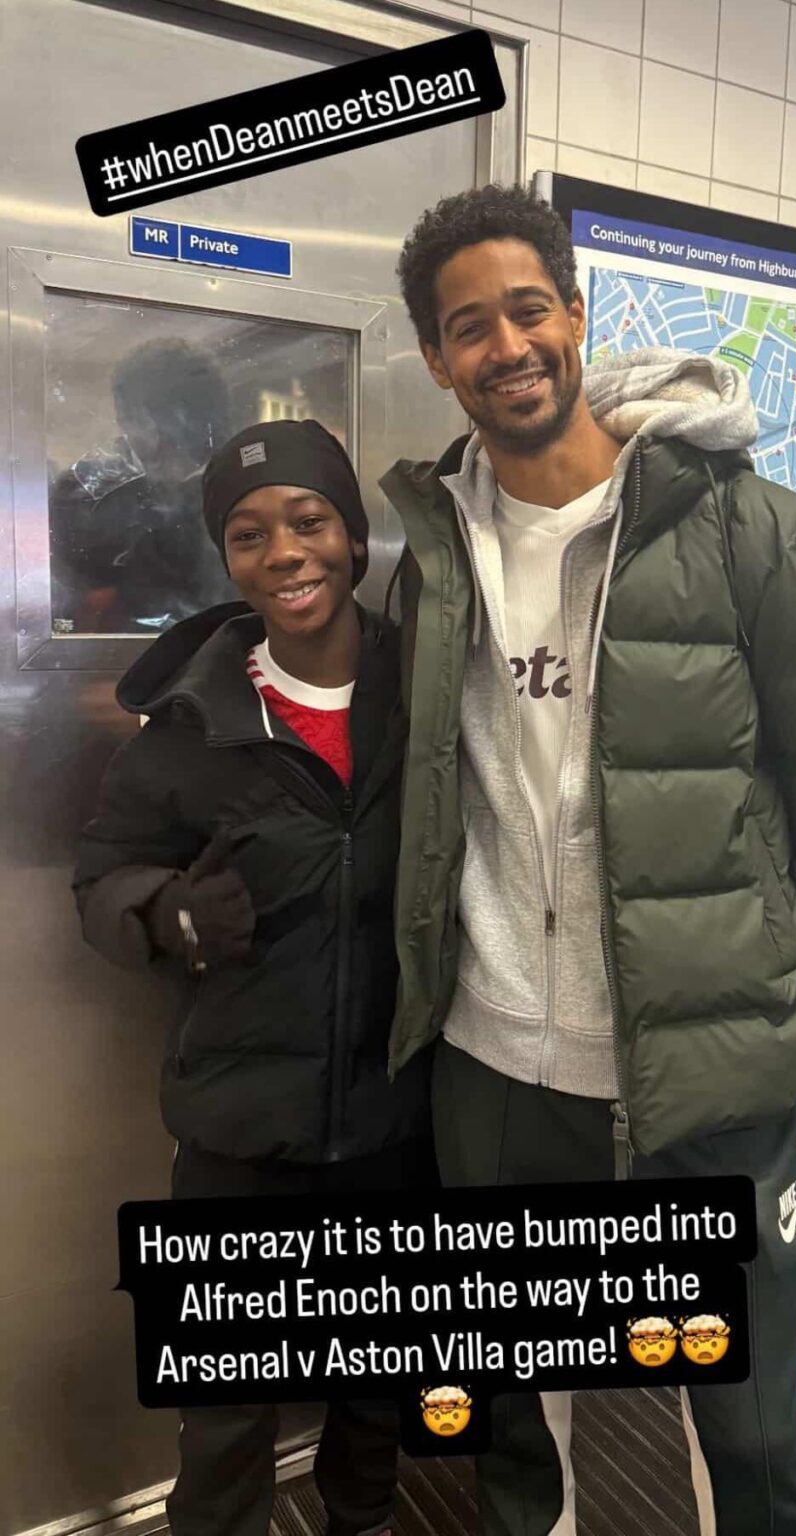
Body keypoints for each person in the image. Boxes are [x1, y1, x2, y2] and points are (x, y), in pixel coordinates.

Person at [380, 184, 796, 1536]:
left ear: (572, 315)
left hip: (703, 1076)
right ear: (435, 360)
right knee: (515, 1426)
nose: (503, 347)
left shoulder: (749, 530)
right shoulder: (431, 560)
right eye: (465, 328)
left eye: (524, 310)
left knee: (745, 1438)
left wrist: (765, 954)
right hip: (493, 1068)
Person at [73, 418, 434, 1536]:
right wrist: (169, 914)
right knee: (225, 1407)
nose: (283, 552)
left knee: (376, 1379)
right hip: (238, 1127)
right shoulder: (193, 720)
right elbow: (98, 880)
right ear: (225, 558)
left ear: (354, 534)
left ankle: (364, 1521)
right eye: (247, 534)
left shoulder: (426, 692)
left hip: (395, 1116)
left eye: (308, 520)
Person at [50, 339, 235, 634]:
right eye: (129, 420)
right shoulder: (91, 495)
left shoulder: (237, 493)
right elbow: (74, 618)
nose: (138, 435)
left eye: (138, 419)